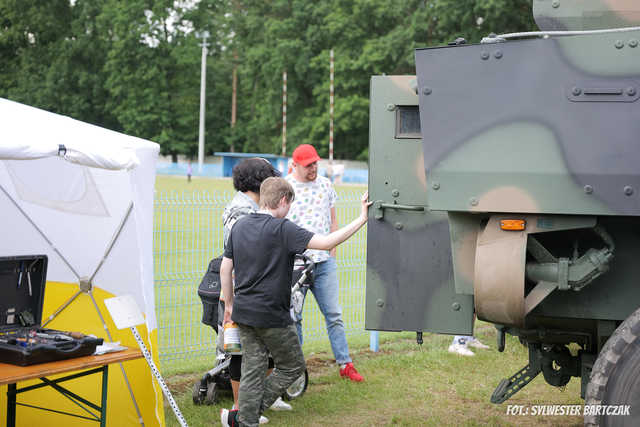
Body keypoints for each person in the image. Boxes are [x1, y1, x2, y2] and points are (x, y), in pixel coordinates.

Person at [220, 177, 370, 427]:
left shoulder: (240, 226)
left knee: (252, 368)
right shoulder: (284, 229)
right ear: (282, 200)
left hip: (243, 313)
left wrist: (229, 306)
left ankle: (243, 420)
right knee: (292, 366)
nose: (289, 209)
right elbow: (327, 242)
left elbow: (226, 269)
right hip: (271, 315)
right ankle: (246, 416)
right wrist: (362, 219)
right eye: (289, 204)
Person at [284, 144, 364, 382]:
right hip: (295, 264)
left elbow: (333, 221)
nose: (313, 168)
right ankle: (295, 371)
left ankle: (345, 363)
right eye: (308, 165)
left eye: (315, 163)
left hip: (324, 263)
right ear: (295, 165)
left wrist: (333, 253)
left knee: (334, 314)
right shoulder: (285, 187)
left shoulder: (326, 185)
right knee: (294, 318)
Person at [220, 158, 290, 422]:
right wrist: (230, 301)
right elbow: (242, 253)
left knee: (265, 348)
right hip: (244, 290)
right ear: (260, 181)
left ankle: (264, 400)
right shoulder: (240, 210)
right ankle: (240, 408)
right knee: (243, 352)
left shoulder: (251, 206)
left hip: (257, 288)